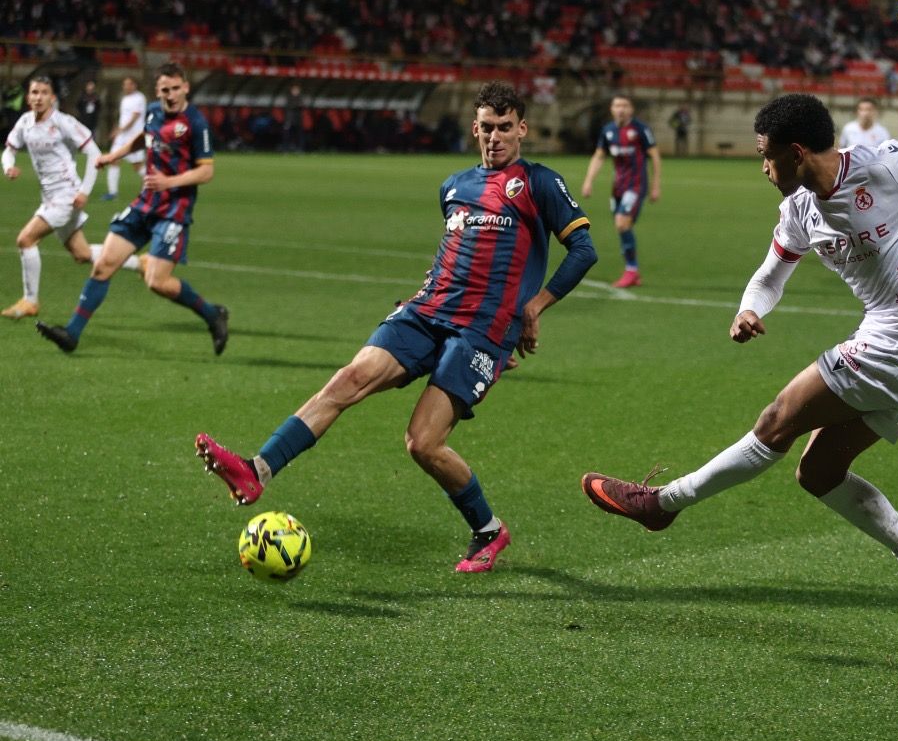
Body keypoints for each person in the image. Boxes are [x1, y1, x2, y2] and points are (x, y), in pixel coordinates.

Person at [579, 93, 898, 641]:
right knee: (818, 474)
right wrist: (750, 308)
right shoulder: (799, 209)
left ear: (797, 152)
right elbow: (770, 275)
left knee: (778, 419)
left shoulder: (887, 166)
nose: (762, 168)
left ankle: (662, 504)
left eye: (767, 156)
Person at [194, 82, 597, 572]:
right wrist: (420, 293)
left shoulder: (538, 183)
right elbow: (454, 254)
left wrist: (534, 307)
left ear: (522, 129)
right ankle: (257, 470)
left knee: (422, 443)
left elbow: (583, 251)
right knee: (348, 379)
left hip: (482, 332)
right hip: (427, 311)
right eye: (487, 128)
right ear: (475, 128)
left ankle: (489, 530)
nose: (495, 137)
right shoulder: (453, 187)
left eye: (505, 128)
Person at [36, 63, 230, 354]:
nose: (171, 94)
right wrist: (114, 155)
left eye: (176, 88)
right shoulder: (153, 110)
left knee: (157, 281)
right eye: (165, 89)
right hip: (145, 203)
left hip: (174, 209)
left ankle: (212, 314)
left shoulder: (195, 123)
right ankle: (71, 334)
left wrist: (169, 181)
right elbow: (144, 137)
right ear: (158, 90)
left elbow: (206, 172)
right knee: (103, 266)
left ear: (186, 87)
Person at [2, 75, 102, 320]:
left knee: (26, 239)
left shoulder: (63, 122)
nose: (38, 97)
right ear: (28, 97)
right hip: (49, 198)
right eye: (34, 92)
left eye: (44, 93)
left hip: (67, 196)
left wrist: (84, 191)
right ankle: (138, 263)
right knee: (82, 254)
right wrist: (8, 167)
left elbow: (94, 153)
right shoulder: (25, 122)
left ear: (52, 98)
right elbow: (9, 151)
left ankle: (30, 301)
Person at [581, 94, 660, 289]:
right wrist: (588, 180)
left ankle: (631, 271)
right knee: (622, 227)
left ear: (631, 109)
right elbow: (599, 156)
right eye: (617, 105)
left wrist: (655, 185)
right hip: (618, 187)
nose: (621, 109)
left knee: (622, 223)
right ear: (611, 109)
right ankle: (633, 270)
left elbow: (655, 156)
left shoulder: (640, 129)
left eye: (625, 105)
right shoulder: (608, 131)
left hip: (636, 184)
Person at [102, 76, 148, 201]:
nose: (125, 87)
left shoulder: (139, 98)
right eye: (124, 84)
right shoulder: (125, 99)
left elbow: (134, 118)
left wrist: (121, 130)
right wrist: (117, 130)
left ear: (134, 85)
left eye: (128, 84)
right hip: (122, 137)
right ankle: (113, 193)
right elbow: (124, 117)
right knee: (113, 160)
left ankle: (152, 186)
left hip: (134, 137)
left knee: (137, 166)